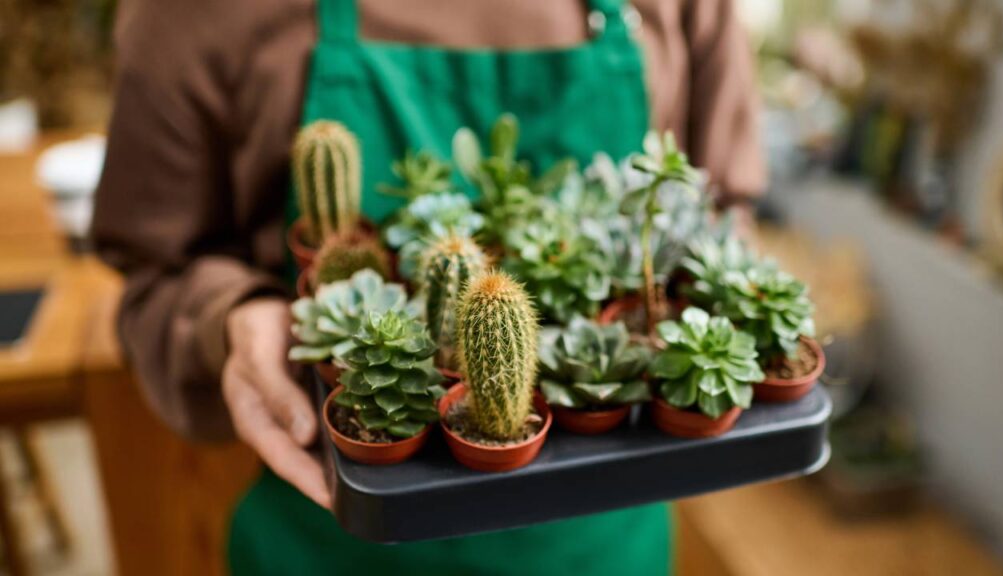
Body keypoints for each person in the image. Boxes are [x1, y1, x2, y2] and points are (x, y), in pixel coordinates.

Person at [93, 0, 764, 573]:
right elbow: (156, 265)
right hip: (331, 543)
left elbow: (719, 213)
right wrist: (227, 317)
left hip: (605, 546)